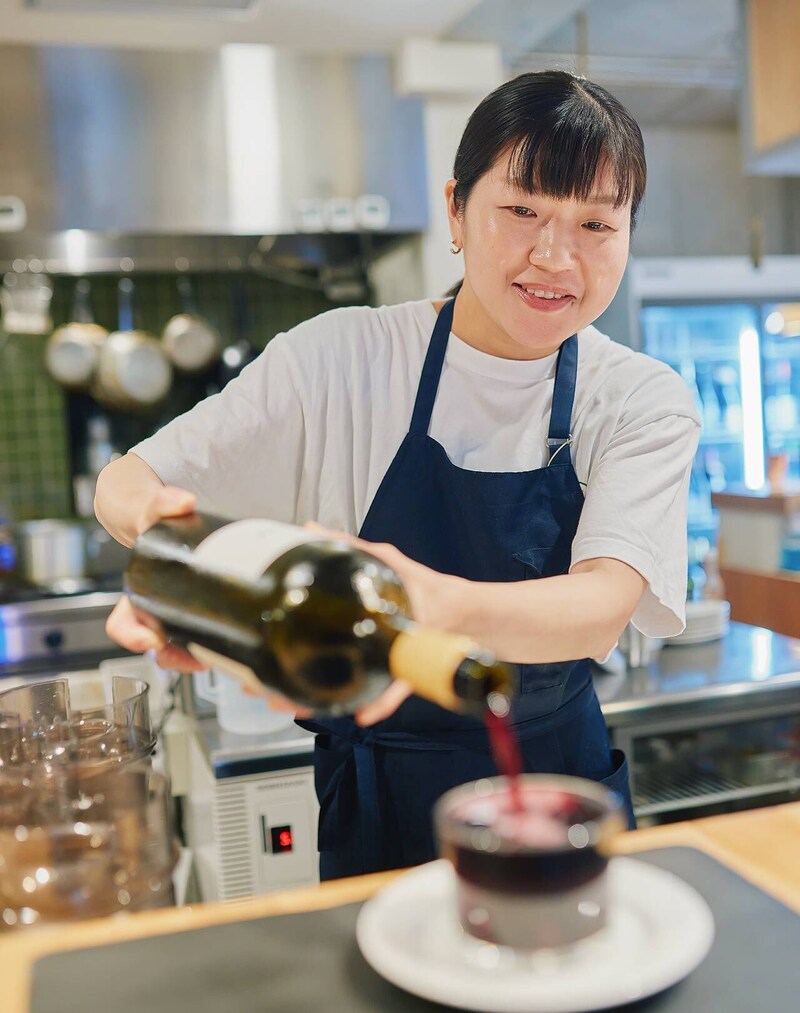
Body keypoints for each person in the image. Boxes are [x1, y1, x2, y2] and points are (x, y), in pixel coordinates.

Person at [97, 70, 700, 880]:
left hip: (556, 785)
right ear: (456, 209)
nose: (555, 257)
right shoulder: (339, 358)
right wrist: (168, 558)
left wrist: (429, 602)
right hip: (380, 800)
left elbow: (599, 610)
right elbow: (128, 479)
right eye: (522, 211)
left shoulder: (639, 398)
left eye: (595, 223)